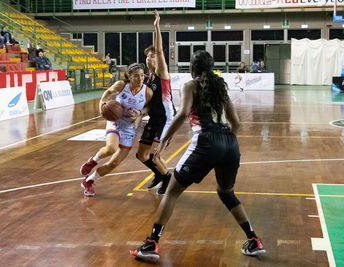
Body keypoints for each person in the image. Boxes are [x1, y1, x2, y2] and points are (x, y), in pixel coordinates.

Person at [130, 50, 265, 260]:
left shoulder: (190, 85)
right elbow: (236, 123)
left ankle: (152, 243)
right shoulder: (221, 88)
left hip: (206, 141)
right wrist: (225, 146)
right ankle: (254, 240)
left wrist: (164, 139)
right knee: (226, 193)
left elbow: (182, 113)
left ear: (192, 69)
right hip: (230, 143)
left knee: (172, 191)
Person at [80, 63, 152, 196]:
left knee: (114, 163)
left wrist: (141, 112)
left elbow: (149, 108)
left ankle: (89, 181)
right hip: (115, 122)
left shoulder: (147, 92)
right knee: (111, 148)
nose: (140, 78)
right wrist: (102, 104)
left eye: (142, 75)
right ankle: (93, 161)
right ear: (130, 77)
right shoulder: (121, 85)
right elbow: (108, 92)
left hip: (129, 128)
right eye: (136, 76)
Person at [136, 10, 175, 195]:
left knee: (154, 154)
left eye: (152, 55)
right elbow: (150, 104)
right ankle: (160, 175)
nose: (149, 58)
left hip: (166, 118)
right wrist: (140, 112)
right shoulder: (149, 78)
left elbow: (160, 50)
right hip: (154, 117)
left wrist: (156, 26)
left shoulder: (162, 72)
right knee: (141, 155)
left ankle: (167, 178)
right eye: (148, 56)